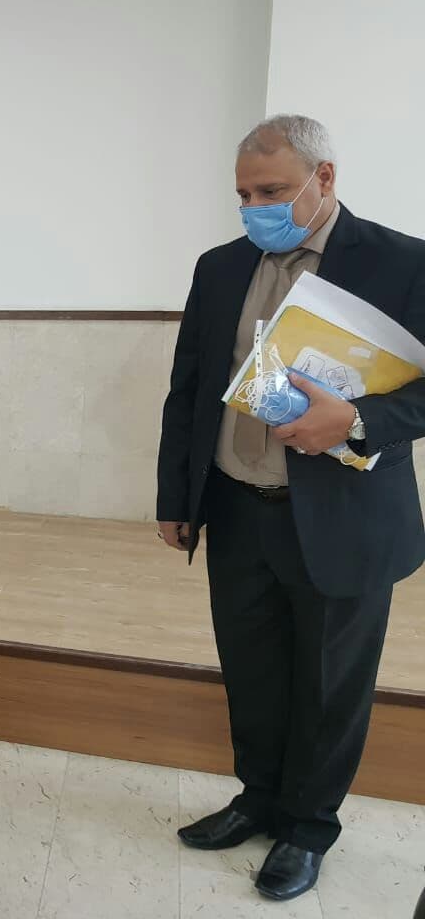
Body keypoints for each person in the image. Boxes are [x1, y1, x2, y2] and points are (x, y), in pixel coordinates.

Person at [157, 115, 425, 901]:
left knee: (330, 683)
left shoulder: (404, 263)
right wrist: (177, 497)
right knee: (252, 669)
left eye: (270, 191)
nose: (254, 208)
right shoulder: (219, 267)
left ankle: (308, 828)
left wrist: (360, 419)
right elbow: (189, 385)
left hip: (343, 517)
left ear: (324, 178)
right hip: (238, 506)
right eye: (243, 193)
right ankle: (258, 798)